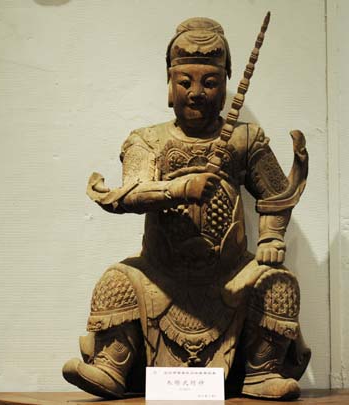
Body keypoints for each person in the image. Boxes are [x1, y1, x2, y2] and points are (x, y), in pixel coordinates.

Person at [62, 17, 310, 400]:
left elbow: (276, 196)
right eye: (185, 82)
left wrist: (271, 237)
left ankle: (262, 371)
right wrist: (177, 189)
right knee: (117, 279)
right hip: (161, 273)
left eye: (209, 83)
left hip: (229, 273)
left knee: (277, 282)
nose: (196, 93)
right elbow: (130, 193)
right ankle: (113, 364)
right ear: (169, 83)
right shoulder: (148, 140)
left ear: (225, 85)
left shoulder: (245, 139)